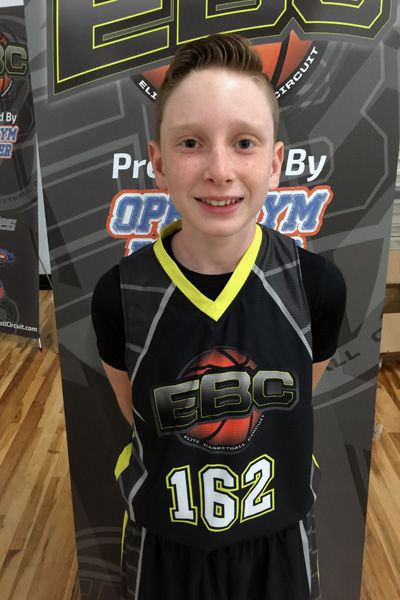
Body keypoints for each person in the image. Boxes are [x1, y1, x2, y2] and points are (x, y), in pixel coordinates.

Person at [92, 33, 346, 600]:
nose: (219, 169)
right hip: (165, 546)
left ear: (275, 163)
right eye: (191, 143)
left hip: (278, 541)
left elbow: (295, 404)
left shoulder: (316, 287)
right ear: (158, 163)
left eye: (244, 142)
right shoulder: (120, 296)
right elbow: (139, 418)